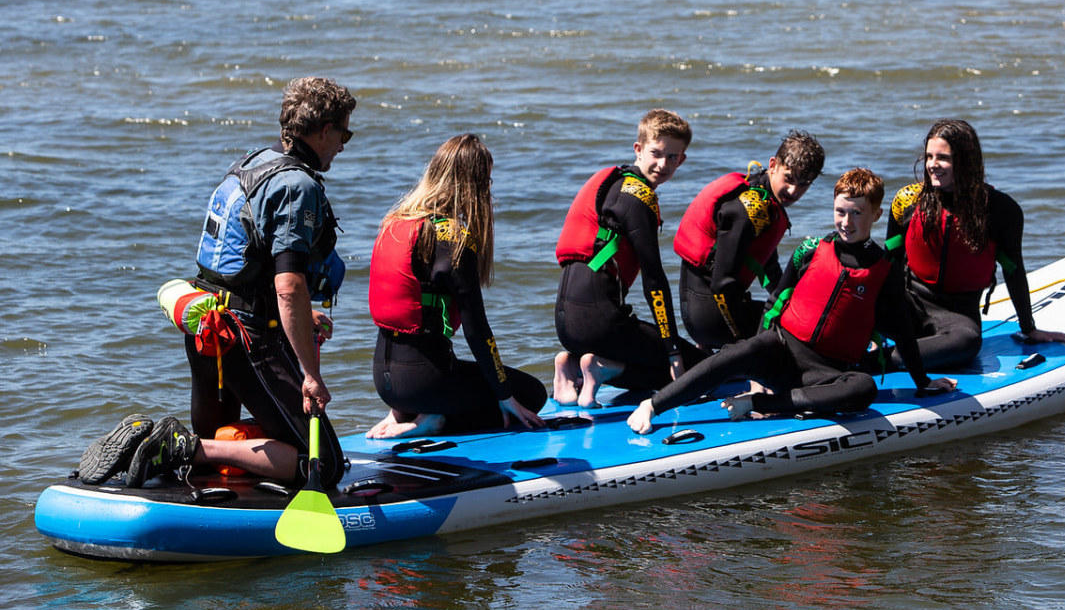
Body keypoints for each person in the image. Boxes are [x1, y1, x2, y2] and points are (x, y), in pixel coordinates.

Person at [78, 76, 357, 489]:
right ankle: (183, 448)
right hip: (246, 339)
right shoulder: (297, 186)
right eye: (344, 133)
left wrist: (298, 318)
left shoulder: (251, 163)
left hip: (208, 323)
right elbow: (289, 286)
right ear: (323, 130)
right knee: (323, 464)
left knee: (218, 443)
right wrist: (311, 375)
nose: (344, 144)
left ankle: (151, 444)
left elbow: (244, 266)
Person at [627, 168, 957, 435]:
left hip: (824, 373)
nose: (846, 222)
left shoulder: (883, 268)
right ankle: (653, 405)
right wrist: (755, 354)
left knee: (863, 388)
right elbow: (774, 302)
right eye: (840, 211)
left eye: (857, 213)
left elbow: (900, 327)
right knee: (739, 352)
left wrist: (923, 382)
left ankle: (759, 405)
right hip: (781, 350)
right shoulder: (811, 250)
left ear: (876, 214)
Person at [366, 133, 547, 438]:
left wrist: (398, 403)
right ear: (473, 186)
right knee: (531, 395)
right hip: (423, 381)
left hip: (386, 383)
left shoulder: (397, 222)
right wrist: (505, 396)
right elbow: (477, 331)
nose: (488, 191)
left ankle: (407, 415)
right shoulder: (452, 239)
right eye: (486, 183)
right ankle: (434, 421)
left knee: (464, 377)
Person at [884, 119, 1065, 371]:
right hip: (907, 303)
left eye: (943, 158)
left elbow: (1013, 269)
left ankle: (883, 360)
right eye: (929, 156)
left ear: (966, 161)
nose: (932, 165)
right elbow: (890, 260)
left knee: (963, 345)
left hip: (957, 316)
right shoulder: (907, 200)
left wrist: (1029, 327)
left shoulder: (1000, 210)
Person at [553, 108, 706, 407]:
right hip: (599, 323)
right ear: (638, 149)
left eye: (673, 157)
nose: (663, 164)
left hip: (565, 323)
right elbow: (654, 280)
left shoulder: (615, 182)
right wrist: (673, 350)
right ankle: (602, 368)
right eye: (656, 153)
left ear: (683, 159)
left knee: (659, 355)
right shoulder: (638, 198)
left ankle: (570, 367)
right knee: (696, 370)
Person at [675, 130, 824, 351]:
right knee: (798, 336)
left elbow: (769, 269)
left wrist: (791, 305)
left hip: (703, 314)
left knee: (800, 320)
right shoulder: (751, 209)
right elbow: (722, 285)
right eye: (789, 178)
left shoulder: (763, 197)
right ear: (773, 165)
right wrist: (746, 345)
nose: (794, 190)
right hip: (712, 315)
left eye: (804, 184)